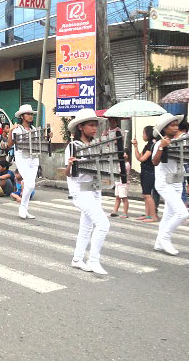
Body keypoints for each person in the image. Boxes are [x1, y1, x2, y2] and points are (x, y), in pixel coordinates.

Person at [65, 109, 110, 275]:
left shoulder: (94, 146)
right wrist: (70, 164)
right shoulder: (73, 146)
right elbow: (67, 173)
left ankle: (77, 259)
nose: (94, 128)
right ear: (81, 127)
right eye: (91, 125)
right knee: (103, 224)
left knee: (86, 227)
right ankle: (93, 260)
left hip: (94, 191)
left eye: (95, 125)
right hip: (80, 192)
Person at [151, 113, 189, 255]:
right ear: (164, 129)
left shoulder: (178, 141)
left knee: (169, 214)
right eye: (172, 125)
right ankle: (165, 237)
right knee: (182, 213)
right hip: (164, 183)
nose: (175, 127)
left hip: (177, 181)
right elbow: (154, 162)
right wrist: (161, 147)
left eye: (176, 125)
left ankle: (158, 244)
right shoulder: (158, 143)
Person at [8, 104, 39, 219]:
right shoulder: (17, 129)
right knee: (29, 184)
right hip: (22, 158)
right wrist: (10, 131)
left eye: (31, 114)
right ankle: (22, 208)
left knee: (31, 185)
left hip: (34, 158)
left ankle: (24, 208)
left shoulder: (34, 129)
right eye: (28, 114)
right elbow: (10, 144)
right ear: (22, 116)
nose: (30, 116)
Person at [132, 126, 159, 222]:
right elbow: (139, 156)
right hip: (145, 171)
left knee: (147, 195)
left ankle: (153, 216)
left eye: (143, 133)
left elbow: (142, 159)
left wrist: (136, 148)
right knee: (146, 195)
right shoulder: (148, 145)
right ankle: (148, 215)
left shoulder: (151, 145)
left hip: (149, 172)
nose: (142, 135)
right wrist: (135, 147)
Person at [110, 152, 131, 218]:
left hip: (123, 184)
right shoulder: (118, 163)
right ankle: (115, 211)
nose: (124, 155)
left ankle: (125, 213)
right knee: (117, 198)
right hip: (118, 183)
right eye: (123, 154)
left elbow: (120, 171)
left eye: (126, 154)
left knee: (124, 198)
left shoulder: (127, 164)